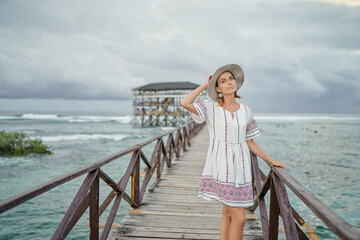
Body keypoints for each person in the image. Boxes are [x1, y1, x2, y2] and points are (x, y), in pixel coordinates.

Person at [180, 64, 285, 240]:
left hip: (241, 170)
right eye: (223, 81)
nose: (229, 82)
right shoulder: (211, 109)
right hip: (221, 167)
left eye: (231, 79)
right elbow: (185, 102)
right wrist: (204, 86)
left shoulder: (246, 111)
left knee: (229, 213)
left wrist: (270, 160)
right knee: (240, 217)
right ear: (218, 89)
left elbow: (250, 141)